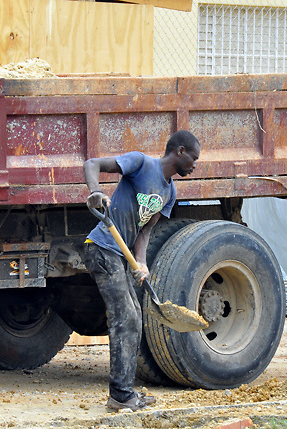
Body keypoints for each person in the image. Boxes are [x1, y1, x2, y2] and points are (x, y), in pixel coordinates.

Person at [82, 130, 201, 411]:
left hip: (120, 255)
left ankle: (126, 392)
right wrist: (96, 192)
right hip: (101, 248)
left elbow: (145, 230)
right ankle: (120, 396)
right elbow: (91, 164)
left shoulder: (169, 192)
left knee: (136, 316)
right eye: (194, 159)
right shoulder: (140, 163)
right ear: (180, 151)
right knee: (126, 318)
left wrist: (142, 262)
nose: (195, 166)